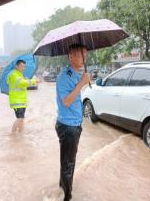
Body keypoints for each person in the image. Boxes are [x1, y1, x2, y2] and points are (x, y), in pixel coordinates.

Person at [55, 44, 90, 201]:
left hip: (74, 124)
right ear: (71, 56)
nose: (85, 58)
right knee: (69, 164)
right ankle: (67, 196)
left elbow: (75, 96)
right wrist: (81, 83)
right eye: (82, 55)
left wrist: (84, 80)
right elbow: (67, 101)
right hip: (68, 127)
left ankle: (63, 186)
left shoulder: (76, 74)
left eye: (85, 55)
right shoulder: (64, 76)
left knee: (67, 161)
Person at [7, 59, 40, 133]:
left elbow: (25, 82)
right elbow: (22, 83)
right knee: (20, 118)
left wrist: (30, 80)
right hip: (16, 101)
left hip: (22, 101)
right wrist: (34, 81)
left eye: (24, 67)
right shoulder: (13, 74)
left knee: (21, 119)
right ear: (17, 66)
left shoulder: (20, 75)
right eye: (22, 66)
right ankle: (12, 134)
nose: (23, 68)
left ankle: (21, 135)